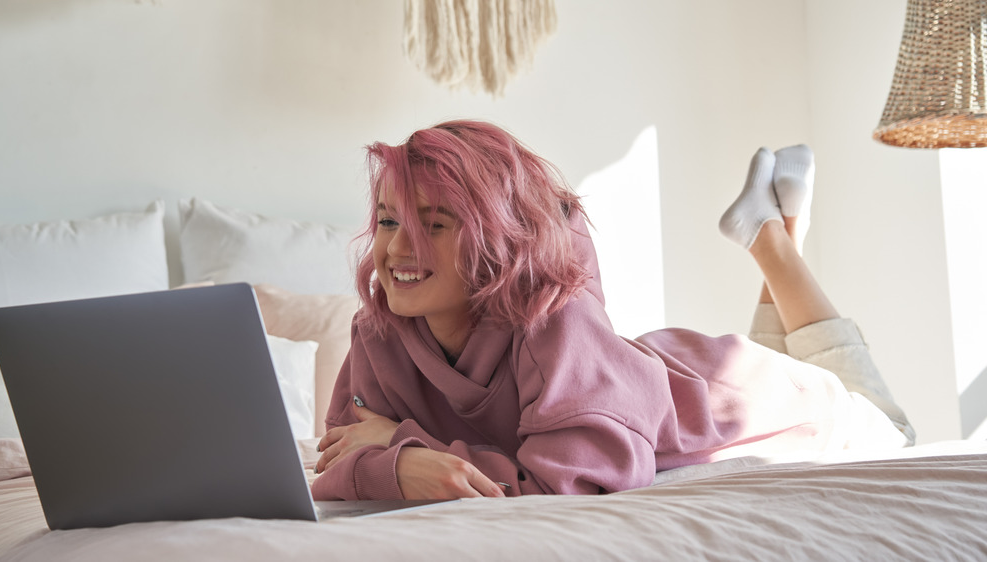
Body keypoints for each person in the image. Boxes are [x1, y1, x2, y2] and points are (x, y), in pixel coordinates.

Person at [310, 120, 913, 501]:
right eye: (388, 221)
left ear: (497, 240)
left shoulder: (554, 317)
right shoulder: (379, 328)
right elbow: (338, 458)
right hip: (632, 378)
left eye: (433, 224)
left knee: (895, 427)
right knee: (785, 349)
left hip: (746, 401)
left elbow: (567, 484)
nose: (397, 249)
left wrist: (409, 449)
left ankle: (774, 240)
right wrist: (402, 461)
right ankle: (778, 228)